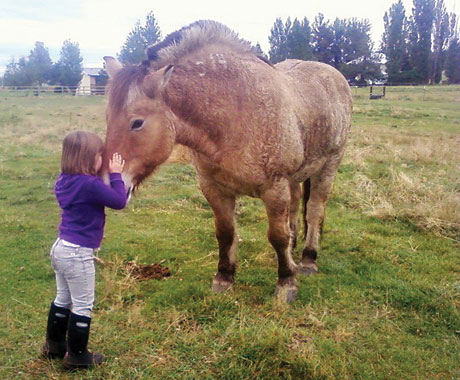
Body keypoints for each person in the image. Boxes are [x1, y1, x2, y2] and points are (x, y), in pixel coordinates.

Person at [41, 130, 127, 370]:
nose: (103, 159)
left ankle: (54, 346)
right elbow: (119, 201)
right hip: (77, 253)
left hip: (61, 248)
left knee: (63, 298)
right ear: (89, 159)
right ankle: (77, 357)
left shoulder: (64, 179)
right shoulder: (89, 185)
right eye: (100, 155)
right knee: (82, 304)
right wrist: (116, 174)